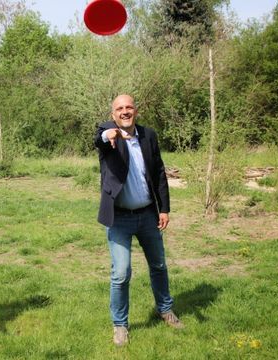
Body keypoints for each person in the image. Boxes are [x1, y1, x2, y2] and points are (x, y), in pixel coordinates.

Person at [94, 94, 183, 347]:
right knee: (121, 274)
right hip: (119, 218)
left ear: (136, 111)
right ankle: (120, 325)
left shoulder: (148, 135)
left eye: (129, 107)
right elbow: (99, 139)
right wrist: (108, 136)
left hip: (147, 214)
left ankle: (165, 309)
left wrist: (164, 208)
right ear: (113, 115)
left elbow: (158, 173)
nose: (125, 111)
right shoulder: (107, 133)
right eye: (119, 109)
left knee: (159, 266)